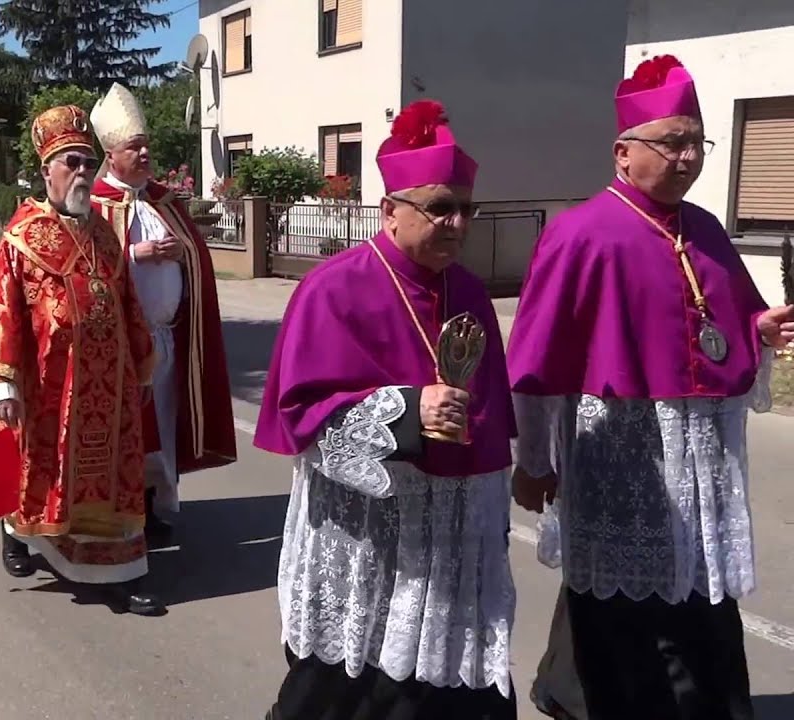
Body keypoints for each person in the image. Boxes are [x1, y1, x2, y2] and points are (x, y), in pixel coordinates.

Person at [507, 55, 794, 720]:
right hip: (623, 454)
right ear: (623, 152)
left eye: (698, 140)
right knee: (619, 604)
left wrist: (760, 327)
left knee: (697, 591)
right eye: (674, 141)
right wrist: (532, 462)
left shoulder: (707, 229)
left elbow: (724, 320)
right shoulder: (580, 234)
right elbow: (537, 361)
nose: (690, 156)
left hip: (704, 456)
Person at [254, 100, 517, 720]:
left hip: (452, 528)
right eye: (439, 208)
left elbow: (492, 413)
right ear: (389, 211)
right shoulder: (334, 288)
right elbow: (303, 417)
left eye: (465, 209)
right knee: (348, 688)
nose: (456, 223)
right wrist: (403, 412)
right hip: (367, 536)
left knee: (454, 681)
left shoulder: (469, 291)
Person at [0, 104, 163, 615]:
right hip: (46, 385)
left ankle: (119, 571)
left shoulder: (104, 234)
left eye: (87, 163)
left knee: (110, 479)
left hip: (108, 386)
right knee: (33, 471)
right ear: (46, 170)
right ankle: (14, 532)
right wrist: (1, 385)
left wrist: (142, 365)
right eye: (70, 162)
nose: (81, 172)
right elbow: (1, 311)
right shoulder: (21, 237)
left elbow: (126, 303)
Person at [89, 83, 237, 540]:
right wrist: (137, 254)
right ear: (112, 154)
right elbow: (84, 269)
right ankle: (123, 511)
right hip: (121, 345)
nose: (146, 151)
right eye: (135, 146)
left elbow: (196, 258)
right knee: (130, 431)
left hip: (168, 337)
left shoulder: (163, 201)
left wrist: (182, 254)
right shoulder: (92, 205)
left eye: (146, 144)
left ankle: (152, 506)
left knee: (165, 426)